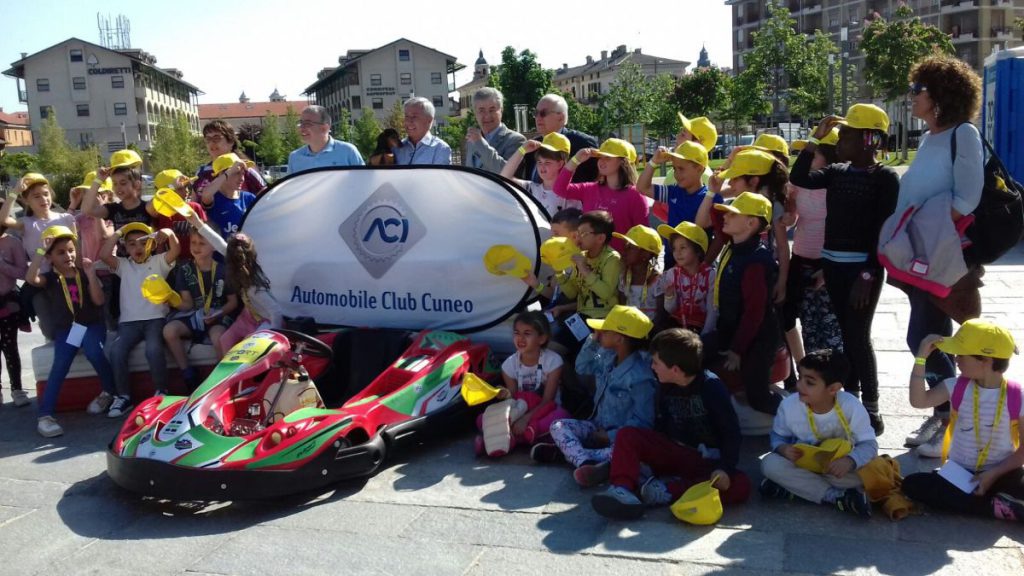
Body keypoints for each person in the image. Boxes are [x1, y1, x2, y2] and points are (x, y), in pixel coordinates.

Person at [789, 104, 900, 435]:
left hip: (861, 272)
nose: (840, 141)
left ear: (870, 139)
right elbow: (799, 177)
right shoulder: (837, 172)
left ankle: (872, 407)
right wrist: (813, 139)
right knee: (845, 336)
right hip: (833, 267)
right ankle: (850, 397)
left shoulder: (884, 179)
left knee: (857, 336)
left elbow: (884, 230)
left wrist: (869, 272)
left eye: (848, 135)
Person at [898, 55, 986, 456]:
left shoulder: (962, 134)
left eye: (918, 90)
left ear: (941, 97)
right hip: (922, 252)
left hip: (941, 253)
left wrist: (932, 229)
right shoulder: (932, 137)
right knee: (925, 334)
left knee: (927, 335)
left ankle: (948, 419)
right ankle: (942, 415)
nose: (912, 96)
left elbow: (967, 197)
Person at [591, 328, 749, 519]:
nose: (652, 367)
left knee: (741, 484)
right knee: (628, 434)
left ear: (675, 369)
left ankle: (664, 491)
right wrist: (647, 453)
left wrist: (724, 468)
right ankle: (622, 490)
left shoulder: (711, 387)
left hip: (704, 459)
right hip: (673, 451)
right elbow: (660, 427)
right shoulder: (664, 384)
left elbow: (731, 433)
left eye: (656, 363)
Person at [904, 320, 1024, 522]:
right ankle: (996, 507)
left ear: (985, 360)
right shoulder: (955, 386)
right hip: (961, 473)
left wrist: (993, 474)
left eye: (961, 354)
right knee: (912, 485)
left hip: (1002, 471)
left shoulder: (1017, 395)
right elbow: (918, 401)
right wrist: (921, 358)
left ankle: (995, 503)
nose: (956, 359)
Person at [532, 305, 657, 484]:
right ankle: (586, 461)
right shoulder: (607, 356)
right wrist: (592, 339)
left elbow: (644, 422)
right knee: (558, 426)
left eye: (604, 331)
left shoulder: (640, 376)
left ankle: (571, 454)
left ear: (619, 339)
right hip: (597, 427)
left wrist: (609, 436)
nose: (599, 332)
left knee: (620, 452)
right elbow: (581, 367)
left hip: (621, 438)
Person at [759, 349, 877, 518]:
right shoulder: (789, 406)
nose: (799, 386)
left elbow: (870, 445)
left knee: (866, 475)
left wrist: (850, 461)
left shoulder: (851, 406)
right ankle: (837, 497)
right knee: (769, 464)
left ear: (833, 388)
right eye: (800, 378)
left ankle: (792, 489)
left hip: (837, 470)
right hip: (803, 464)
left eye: (810, 382)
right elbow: (778, 437)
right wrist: (783, 448)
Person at [26, 226, 113, 437]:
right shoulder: (50, 278)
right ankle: (45, 416)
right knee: (60, 364)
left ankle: (109, 392)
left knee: (94, 351)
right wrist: (40, 252)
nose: (68, 255)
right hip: (68, 330)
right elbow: (30, 279)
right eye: (61, 252)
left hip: (92, 325)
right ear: (50, 257)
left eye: (71, 250)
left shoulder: (84, 272)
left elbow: (99, 301)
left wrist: (91, 276)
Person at [707, 191, 782, 415]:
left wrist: (737, 351)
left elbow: (754, 313)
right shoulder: (734, 243)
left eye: (733, 214)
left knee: (757, 397)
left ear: (750, 223)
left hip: (759, 336)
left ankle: (798, 412)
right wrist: (715, 190)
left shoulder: (756, 261)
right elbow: (716, 216)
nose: (725, 218)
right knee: (691, 353)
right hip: (731, 327)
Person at [100, 222, 180, 416]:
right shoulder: (123, 265)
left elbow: (176, 249)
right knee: (116, 351)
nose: (137, 247)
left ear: (151, 244)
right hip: (128, 323)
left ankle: (161, 391)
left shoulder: (160, 261)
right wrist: (119, 231)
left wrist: (168, 232)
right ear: (125, 247)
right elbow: (103, 255)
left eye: (142, 242)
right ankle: (123, 396)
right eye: (131, 244)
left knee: (153, 349)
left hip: (155, 319)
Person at [782, 131, 844, 365]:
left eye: (813, 155)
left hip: (828, 264)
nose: (806, 160)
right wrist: (788, 216)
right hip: (801, 260)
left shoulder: (836, 187)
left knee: (831, 328)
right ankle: (813, 375)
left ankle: (835, 379)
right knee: (809, 325)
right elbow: (794, 217)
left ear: (828, 158)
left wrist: (828, 270)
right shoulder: (798, 185)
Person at [475, 311, 571, 455]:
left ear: (542, 338)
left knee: (562, 418)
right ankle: (527, 437)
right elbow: (513, 398)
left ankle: (504, 440)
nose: (520, 338)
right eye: (517, 333)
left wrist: (525, 419)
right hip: (520, 410)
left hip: (545, 411)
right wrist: (504, 395)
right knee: (482, 419)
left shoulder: (553, 361)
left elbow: (547, 400)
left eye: (527, 333)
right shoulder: (509, 365)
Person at [164, 212, 240, 391]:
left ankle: (224, 381)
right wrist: (170, 298)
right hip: (195, 316)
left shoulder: (223, 270)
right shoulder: (185, 269)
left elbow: (233, 303)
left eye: (202, 243)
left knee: (218, 337)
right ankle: (188, 374)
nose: (196, 247)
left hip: (219, 316)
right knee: (169, 331)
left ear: (214, 245)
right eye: (193, 243)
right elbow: (187, 304)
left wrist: (218, 313)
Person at [0, 173, 77, 340]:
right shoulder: (26, 223)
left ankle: (76, 347)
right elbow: (3, 218)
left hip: (66, 278)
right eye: (36, 196)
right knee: (50, 331)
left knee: (75, 319)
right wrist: (14, 191)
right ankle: (64, 345)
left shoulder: (66, 218)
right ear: (27, 200)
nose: (43, 199)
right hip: (39, 281)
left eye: (46, 193)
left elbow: (76, 249)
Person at [553, 139, 648, 254]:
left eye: (608, 158)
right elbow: (559, 189)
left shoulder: (635, 195)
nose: (601, 161)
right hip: (589, 261)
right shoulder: (589, 188)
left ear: (624, 162)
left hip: (620, 263)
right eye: (600, 157)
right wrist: (576, 160)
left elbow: (643, 234)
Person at [639, 141, 721, 269]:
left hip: (698, 265)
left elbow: (719, 236)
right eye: (674, 168)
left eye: (681, 169)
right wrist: (653, 162)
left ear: (699, 169)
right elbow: (642, 187)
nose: (676, 174)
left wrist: (706, 264)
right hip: (672, 260)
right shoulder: (673, 191)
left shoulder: (712, 196)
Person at [219, 233, 284, 351]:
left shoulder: (255, 286)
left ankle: (251, 369)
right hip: (248, 318)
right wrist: (198, 224)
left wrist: (275, 335)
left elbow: (276, 311)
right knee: (225, 339)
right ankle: (229, 369)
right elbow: (219, 245)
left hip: (266, 321)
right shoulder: (238, 264)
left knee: (248, 347)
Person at [521, 94, 599, 183]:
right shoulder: (532, 146)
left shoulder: (583, 144)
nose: (538, 118)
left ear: (561, 117)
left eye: (543, 113)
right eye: (536, 113)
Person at [501, 132, 581, 217]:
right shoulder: (530, 188)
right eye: (539, 162)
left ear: (560, 164)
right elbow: (504, 179)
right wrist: (522, 150)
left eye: (547, 162)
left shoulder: (571, 194)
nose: (542, 167)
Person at [657, 221, 716, 335]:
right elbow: (670, 310)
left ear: (698, 251)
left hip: (701, 328)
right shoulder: (671, 274)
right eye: (674, 248)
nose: (677, 253)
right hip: (676, 327)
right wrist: (669, 297)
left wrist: (704, 336)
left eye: (683, 247)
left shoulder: (710, 275)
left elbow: (712, 310)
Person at [81, 149, 157, 229]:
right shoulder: (113, 209)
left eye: (123, 183)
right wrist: (98, 180)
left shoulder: (148, 208)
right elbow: (86, 210)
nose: (118, 187)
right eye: (115, 183)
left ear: (137, 185)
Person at [194, 120, 265, 197]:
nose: (212, 143)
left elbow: (265, 200)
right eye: (208, 139)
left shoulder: (246, 170)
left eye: (217, 138)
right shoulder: (201, 173)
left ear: (231, 142)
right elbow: (193, 205)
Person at [464, 87, 526, 174]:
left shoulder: (516, 140)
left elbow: (506, 173)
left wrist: (480, 143)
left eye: (492, 110)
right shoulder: (471, 141)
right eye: (481, 111)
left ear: (501, 110)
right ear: (475, 113)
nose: (487, 115)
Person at [0, 212, 28, 407]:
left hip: (7, 303)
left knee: (10, 346)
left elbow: (23, 272)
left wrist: (3, 265)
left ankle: (17, 389)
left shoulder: (12, 242)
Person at [151, 169, 207, 264]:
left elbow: (206, 235)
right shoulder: (162, 213)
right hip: (174, 261)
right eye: (180, 188)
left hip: (197, 260)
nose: (186, 191)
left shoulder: (195, 208)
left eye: (186, 186)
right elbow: (160, 243)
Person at [287, 105, 364, 175]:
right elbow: (290, 189)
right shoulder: (294, 157)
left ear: (324, 128)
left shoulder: (348, 151)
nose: (302, 128)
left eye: (307, 123)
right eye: (301, 123)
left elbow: (363, 180)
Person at [201, 153, 259, 239]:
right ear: (221, 175)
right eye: (237, 173)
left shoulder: (249, 198)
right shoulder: (214, 198)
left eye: (243, 174)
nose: (242, 178)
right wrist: (231, 170)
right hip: (221, 251)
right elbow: (205, 195)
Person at [614, 225, 662, 321]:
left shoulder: (658, 280)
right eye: (625, 246)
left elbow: (661, 314)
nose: (624, 251)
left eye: (630, 247)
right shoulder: (623, 277)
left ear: (646, 254)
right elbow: (621, 306)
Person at [661, 114, 717, 188]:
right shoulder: (677, 169)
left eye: (683, 135)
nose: (677, 136)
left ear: (697, 144)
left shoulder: (703, 176)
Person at [393, 97, 451, 165]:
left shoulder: (440, 149)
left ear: (429, 120)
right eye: (406, 116)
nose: (409, 121)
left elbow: (439, 175)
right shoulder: (396, 148)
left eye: (414, 116)